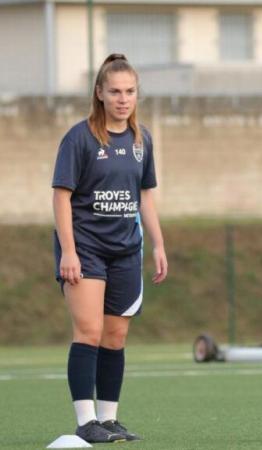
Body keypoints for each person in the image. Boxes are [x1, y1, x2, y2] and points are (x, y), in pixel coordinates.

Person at [52, 53, 167, 444]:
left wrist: (158, 245)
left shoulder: (142, 139)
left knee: (115, 337)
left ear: (137, 94)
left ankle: (109, 419)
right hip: (85, 247)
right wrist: (69, 251)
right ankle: (85, 422)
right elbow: (61, 197)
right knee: (88, 331)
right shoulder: (79, 138)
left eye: (130, 91)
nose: (122, 98)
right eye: (114, 91)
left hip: (125, 250)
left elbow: (145, 198)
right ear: (99, 93)